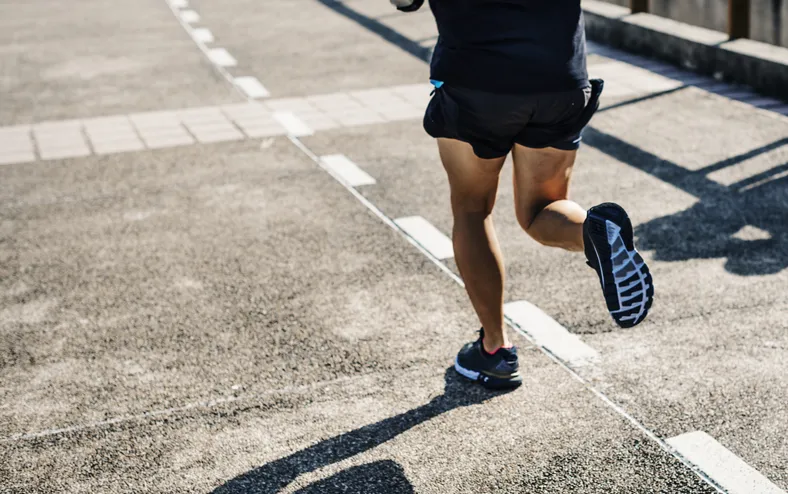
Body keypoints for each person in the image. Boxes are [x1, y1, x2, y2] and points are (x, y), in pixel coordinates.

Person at [391, 0, 654, 390]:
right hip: (559, 79)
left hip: (476, 82)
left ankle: (494, 350)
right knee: (541, 209)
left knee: (472, 209)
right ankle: (591, 231)